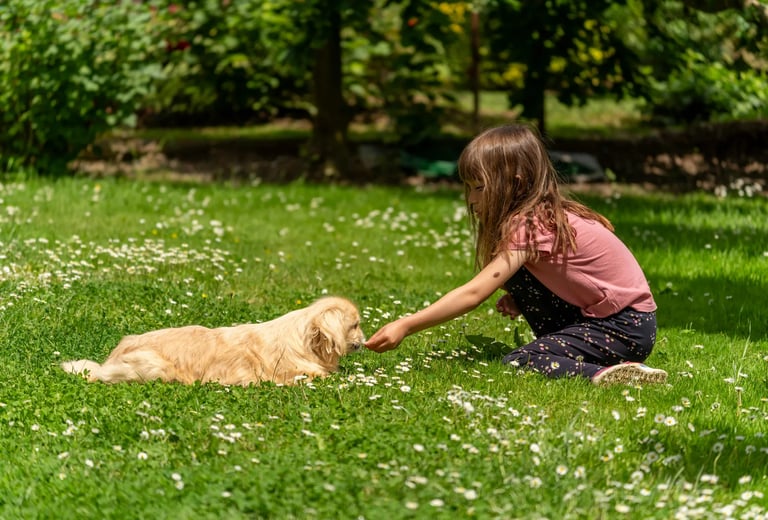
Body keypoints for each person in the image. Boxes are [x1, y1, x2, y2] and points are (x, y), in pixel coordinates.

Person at [364, 124, 667, 386]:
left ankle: (605, 374)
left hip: (624, 327)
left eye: (479, 188)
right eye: (468, 188)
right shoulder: (539, 216)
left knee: (522, 360)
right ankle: (590, 359)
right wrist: (524, 297)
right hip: (623, 323)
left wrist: (406, 325)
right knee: (515, 275)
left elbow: (473, 293)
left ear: (516, 183)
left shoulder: (531, 224)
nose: (470, 200)